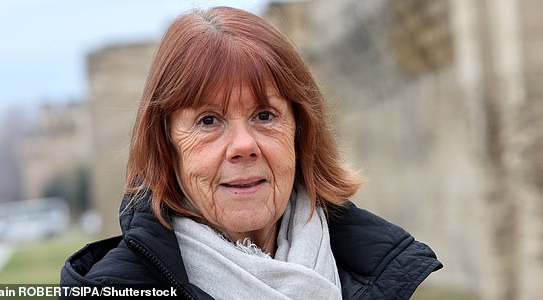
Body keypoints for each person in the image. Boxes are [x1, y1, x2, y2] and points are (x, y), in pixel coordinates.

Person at [60, 6, 441, 300]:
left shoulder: (373, 267)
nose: (243, 146)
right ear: (167, 144)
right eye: (209, 121)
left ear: (299, 131)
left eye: (264, 115)